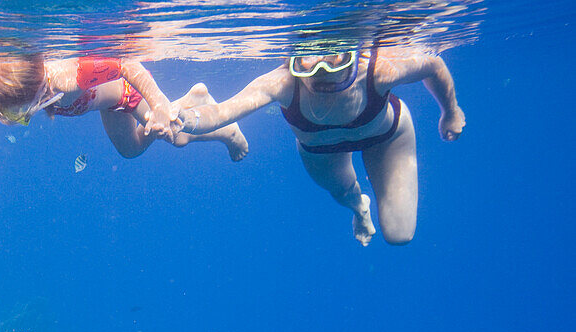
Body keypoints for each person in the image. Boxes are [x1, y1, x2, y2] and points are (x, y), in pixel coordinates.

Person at [175, 46, 465, 245]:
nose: (322, 68)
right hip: (321, 152)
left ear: (352, 55)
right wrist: (185, 119)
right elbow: (223, 112)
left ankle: (361, 206)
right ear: (295, 60)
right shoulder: (283, 83)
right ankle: (359, 209)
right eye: (310, 61)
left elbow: (432, 64)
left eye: (334, 59)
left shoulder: (378, 71)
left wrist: (451, 111)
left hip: (387, 136)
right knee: (343, 192)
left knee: (399, 234)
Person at [0, 54, 249, 202]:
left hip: (125, 93)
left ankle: (227, 131)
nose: (8, 119)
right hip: (106, 104)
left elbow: (127, 64)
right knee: (131, 150)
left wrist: (158, 104)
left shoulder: (67, 77)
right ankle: (192, 99)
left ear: (38, 92)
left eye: (17, 114)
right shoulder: (5, 87)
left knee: (176, 135)